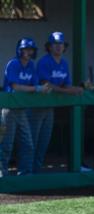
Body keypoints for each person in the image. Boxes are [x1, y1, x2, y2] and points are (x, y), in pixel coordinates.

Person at [30, 31, 84, 173]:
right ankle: (26, 174)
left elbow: (66, 84)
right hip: (37, 106)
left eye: (60, 44)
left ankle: (36, 172)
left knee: (43, 142)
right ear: (49, 47)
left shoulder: (64, 63)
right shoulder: (44, 61)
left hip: (50, 108)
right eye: (55, 44)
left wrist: (79, 88)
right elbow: (46, 84)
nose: (58, 47)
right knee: (31, 143)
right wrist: (68, 92)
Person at [1, 37, 50, 177]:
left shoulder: (31, 66)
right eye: (25, 49)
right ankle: (2, 173)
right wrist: (37, 88)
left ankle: (25, 174)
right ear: (19, 50)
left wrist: (44, 89)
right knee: (6, 144)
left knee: (28, 144)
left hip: (22, 110)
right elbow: (15, 87)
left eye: (30, 49)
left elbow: (35, 86)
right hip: (9, 109)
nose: (28, 52)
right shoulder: (13, 64)